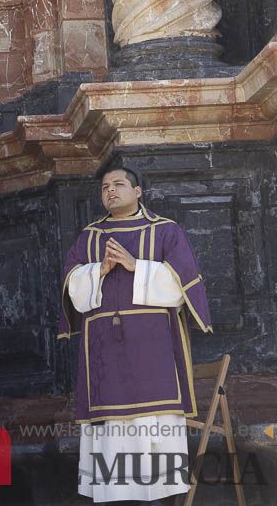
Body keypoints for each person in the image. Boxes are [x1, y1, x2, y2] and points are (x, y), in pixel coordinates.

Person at [59, 165, 212, 505]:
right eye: (104, 187)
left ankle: (157, 496)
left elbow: (181, 287)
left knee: (151, 421)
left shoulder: (166, 231)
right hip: (104, 351)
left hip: (152, 348)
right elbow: (72, 287)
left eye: (118, 184)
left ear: (138, 191)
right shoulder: (90, 237)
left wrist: (136, 265)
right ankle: (114, 495)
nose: (110, 190)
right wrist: (99, 269)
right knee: (111, 426)